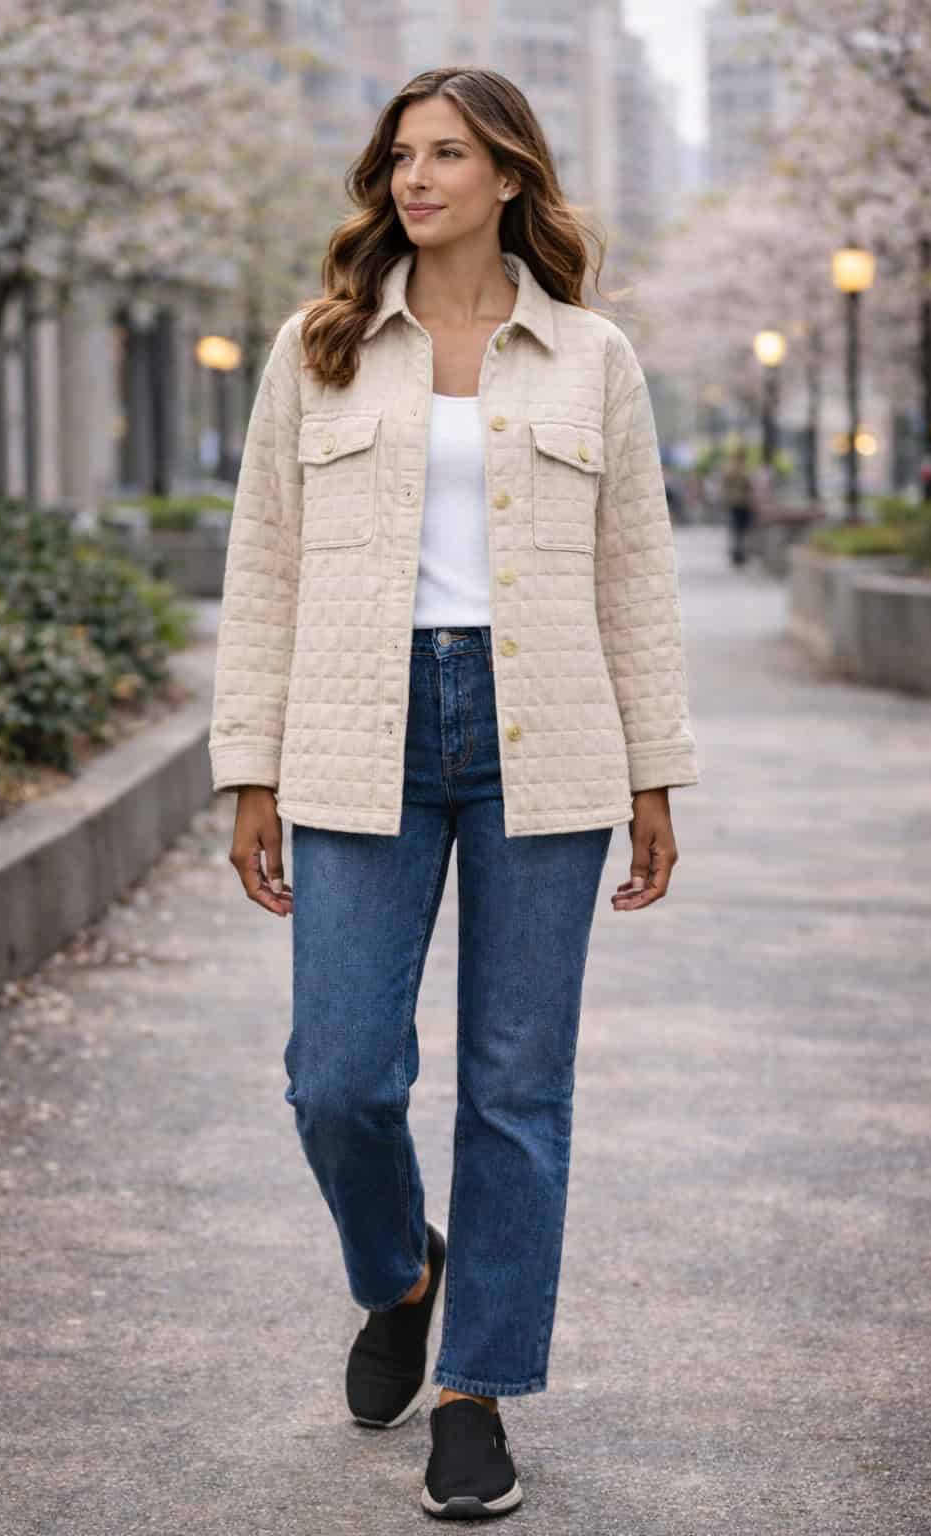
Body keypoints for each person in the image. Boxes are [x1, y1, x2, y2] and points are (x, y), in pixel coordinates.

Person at [207, 66, 700, 1521]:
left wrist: (659, 770)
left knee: (516, 1089)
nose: (416, 178)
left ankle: (480, 1395)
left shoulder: (593, 355)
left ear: (507, 178)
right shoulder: (324, 346)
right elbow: (264, 565)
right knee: (338, 1077)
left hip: (548, 742)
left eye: (448, 155)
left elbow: (637, 575)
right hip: (362, 730)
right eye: (402, 156)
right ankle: (398, 1274)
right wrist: (251, 769)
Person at [721, 440, 755, 566]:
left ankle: (737, 554)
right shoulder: (743, 470)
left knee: (736, 530)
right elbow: (749, 486)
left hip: (735, 503)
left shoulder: (730, 469)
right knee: (740, 530)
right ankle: (739, 555)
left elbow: (725, 487)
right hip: (742, 503)